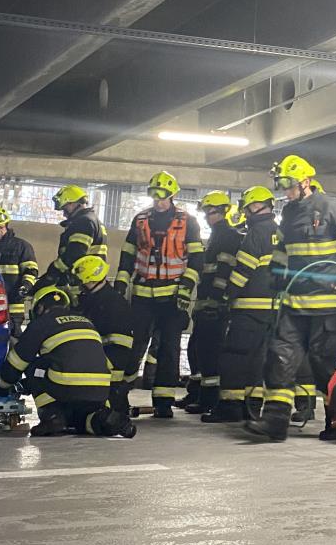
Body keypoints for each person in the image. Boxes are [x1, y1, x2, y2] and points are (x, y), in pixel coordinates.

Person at [248, 154, 336, 443]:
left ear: (305, 182)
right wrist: (277, 273)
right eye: (282, 186)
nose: (286, 192)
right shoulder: (289, 214)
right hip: (293, 304)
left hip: (327, 306)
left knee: (324, 366)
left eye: (289, 185)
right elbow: (282, 248)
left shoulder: (330, 208)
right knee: (280, 360)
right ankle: (274, 422)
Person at [116, 171, 205, 418]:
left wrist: (186, 288)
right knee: (134, 345)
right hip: (143, 295)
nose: (158, 200)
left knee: (169, 349)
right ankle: (119, 394)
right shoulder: (140, 219)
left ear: (172, 195)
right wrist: (121, 283)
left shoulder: (188, 222)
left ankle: (163, 402)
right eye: (154, 195)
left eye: (162, 195)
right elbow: (127, 254)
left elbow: (197, 259)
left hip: (173, 297)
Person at [0, 285, 119, 437]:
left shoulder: (42, 323)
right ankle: (102, 420)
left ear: (40, 307)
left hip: (65, 386)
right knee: (80, 420)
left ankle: (52, 416)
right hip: (100, 390)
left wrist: (3, 383)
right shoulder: (87, 322)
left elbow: (19, 359)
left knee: (35, 366)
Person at [212, 186, 281, 424]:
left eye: (247, 208)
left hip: (249, 307)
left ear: (254, 206)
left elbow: (243, 269)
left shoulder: (256, 232)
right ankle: (253, 405)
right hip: (274, 310)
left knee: (235, 355)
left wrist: (227, 296)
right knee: (258, 360)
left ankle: (230, 406)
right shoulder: (280, 233)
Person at [66, 255, 137, 437]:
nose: (78, 287)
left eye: (82, 282)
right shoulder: (92, 300)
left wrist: (106, 378)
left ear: (92, 280)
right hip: (98, 371)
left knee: (96, 417)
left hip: (110, 378)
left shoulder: (114, 305)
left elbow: (120, 350)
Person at [188, 191, 243, 417]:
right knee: (198, 348)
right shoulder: (216, 235)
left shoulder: (228, 236)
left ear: (221, 212)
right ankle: (200, 395)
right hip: (206, 300)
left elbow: (223, 271)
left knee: (210, 351)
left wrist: (215, 300)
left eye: (210, 212)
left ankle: (209, 399)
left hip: (215, 304)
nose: (207, 217)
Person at [0, 206, 39, 333]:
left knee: (14, 335)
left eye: (1, 227)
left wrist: (26, 286)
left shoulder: (21, 246)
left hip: (14, 304)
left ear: (6, 226)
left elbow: (31, 270)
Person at [45, 185, 104, 286]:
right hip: (89, 282)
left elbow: (74, 253)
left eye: (65, 209)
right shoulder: (91, 220)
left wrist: (53, 271)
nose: (64, 214)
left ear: (73, 203)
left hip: (82, 284)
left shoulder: (84, 222)